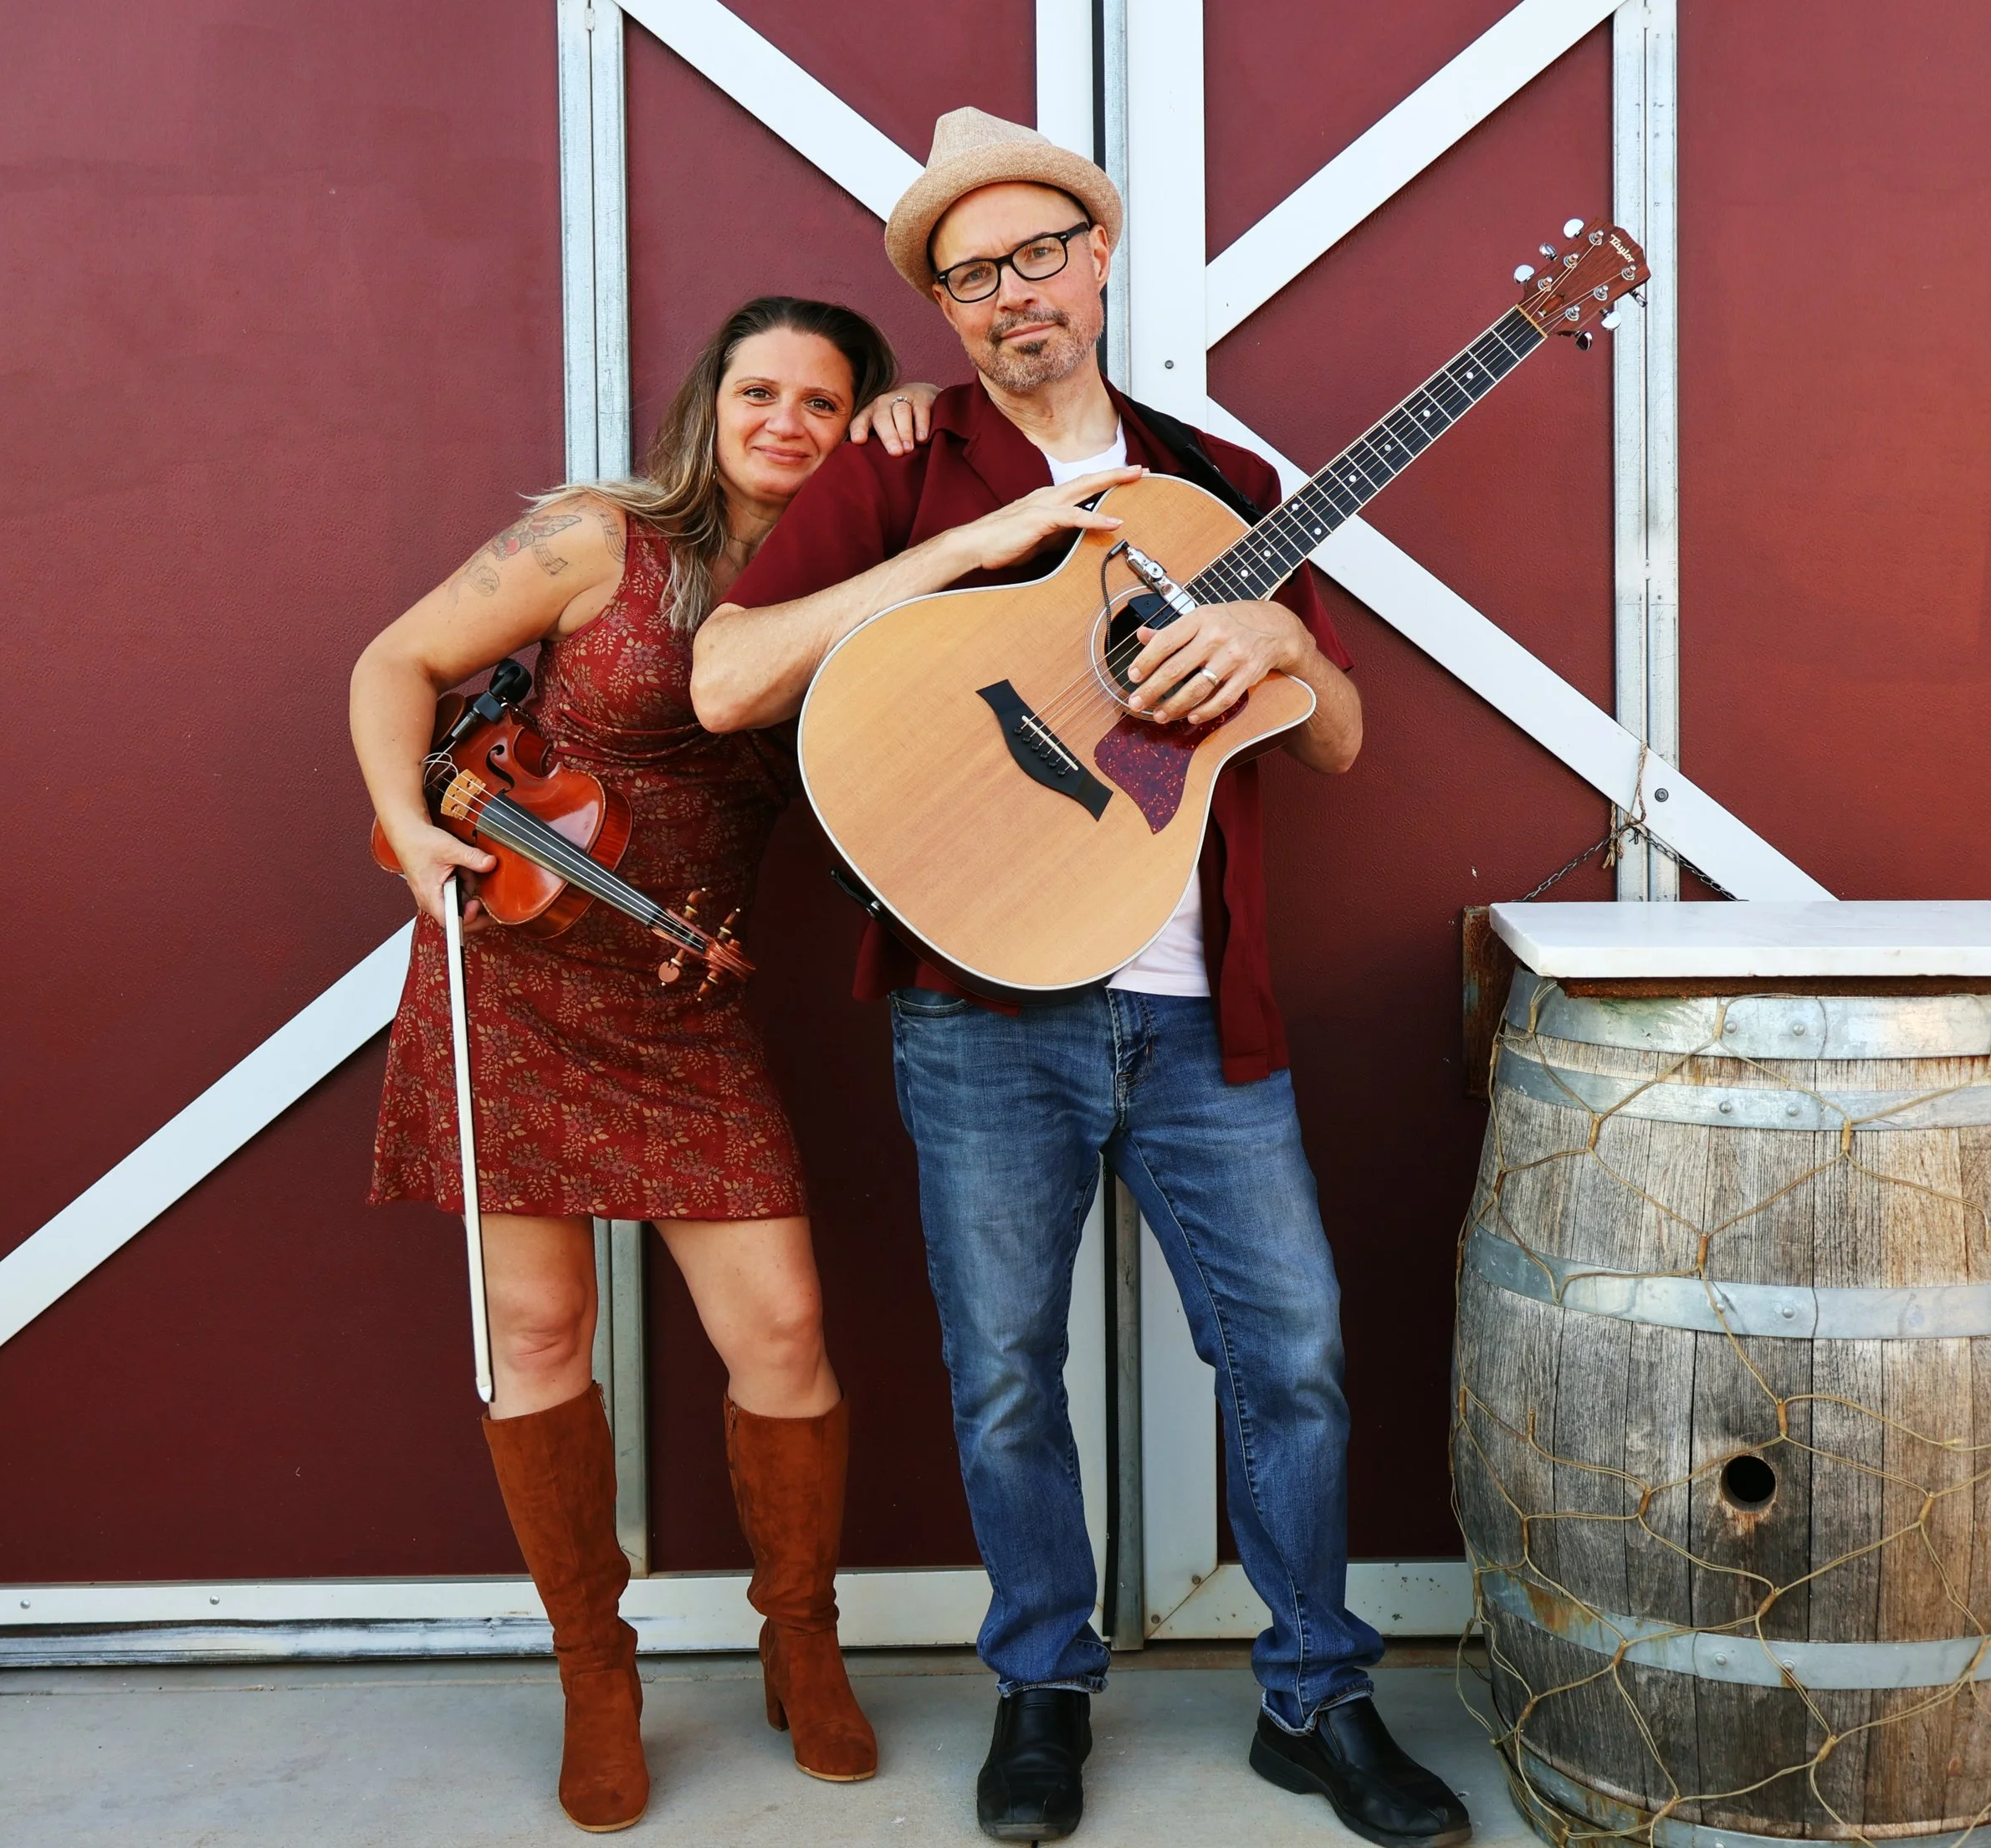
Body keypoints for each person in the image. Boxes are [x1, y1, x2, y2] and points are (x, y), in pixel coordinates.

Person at [692, 113, 1474, 1848]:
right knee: (998, 1370)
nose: (1008, 293)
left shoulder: (1214, 478)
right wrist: (957, 559)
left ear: (1098, 257)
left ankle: (1316, 1700)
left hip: (1207, 1014)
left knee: (1291, 1358)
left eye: (1036, 252)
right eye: (967, 275)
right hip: (979, 1016)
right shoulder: (904, 462)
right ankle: (1040, 1690)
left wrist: (1275, 638)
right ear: (946, 309)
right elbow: (728, 676)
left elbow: (1330, 740)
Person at [350, 296, 929, 1833]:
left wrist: (924, 409)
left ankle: (799, 1642)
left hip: (686, 993)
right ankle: (593, 1673)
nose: (788, 421)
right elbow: (396, 664)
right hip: (519, 978)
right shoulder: (598, 539)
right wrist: (413, 834)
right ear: (711, 402)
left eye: (827, 400)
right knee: (538, 1338)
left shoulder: (860, 590)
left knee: (785, 1334)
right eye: (762, 390)